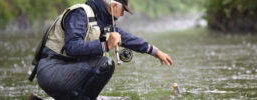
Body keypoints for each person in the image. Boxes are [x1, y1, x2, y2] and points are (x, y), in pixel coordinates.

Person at [29, 0, 173, 99]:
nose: (123, 14)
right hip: (52, 71)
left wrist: (156, 52)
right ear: (113, 5)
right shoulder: (80, 13)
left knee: (102, 63)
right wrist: (105, 45)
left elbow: (128, 39)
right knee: (105, 64)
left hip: (66, 71)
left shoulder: (103, 21)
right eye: (123, 10)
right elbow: (72, 48)